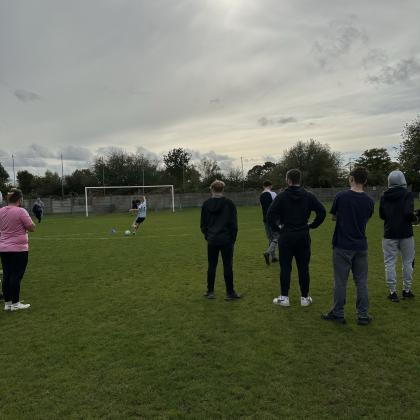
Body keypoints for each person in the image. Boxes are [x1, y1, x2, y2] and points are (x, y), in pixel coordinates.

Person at [322, 167, 374, 325]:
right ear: (365, 181)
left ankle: (338, 313)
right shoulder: (369, 201)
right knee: (361, 282)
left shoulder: (341, 196)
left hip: (342, 245)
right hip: (360, 246)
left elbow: (333, 217)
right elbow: (366, 219)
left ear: (351, 178)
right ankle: (363, 315)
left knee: (340, 281)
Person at [267, 169, 326, 307]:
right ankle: (305, 298)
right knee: (303, 267)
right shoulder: (308, 196)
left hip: (286, 235)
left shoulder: (281, 197)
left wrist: (277, 229)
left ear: (288, 180)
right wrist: (312, 225)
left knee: (285, 267)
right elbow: (321, 212)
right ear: (300, 180)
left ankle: (284, 297)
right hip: (303, 235)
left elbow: (270, 215)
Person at [379, 170, 417, 302]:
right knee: (407, 262)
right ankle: (406, 290)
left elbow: (382, 215)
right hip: (406, 233)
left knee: (389, 263)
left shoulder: (384, 195)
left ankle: (392, 292)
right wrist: (415, 217)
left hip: (389, 233)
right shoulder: (407, 194)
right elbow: (408, 213)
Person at [200, 179, 240, 300]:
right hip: (226, 239)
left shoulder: (206, 204)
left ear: (212, 189)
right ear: (223, 189)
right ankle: (229, 292)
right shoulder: (230, 204)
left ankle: (210, 291)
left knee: (211, 266)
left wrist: (208, 236)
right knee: (228, 266)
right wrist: (232, 238)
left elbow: (203, 224)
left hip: (212, 239)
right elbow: (234, 224)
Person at [0, 188, 36, 311]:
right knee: (16, 276)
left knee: (6, 275)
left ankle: (7, 303)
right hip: (19, 249)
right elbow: (31, 227)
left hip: (4, 248)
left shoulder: (1, 211)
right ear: (20, 199)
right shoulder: (21, 211)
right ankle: (15, 303)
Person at [260, 180, 278, 265]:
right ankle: (267, 253)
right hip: (274, 218)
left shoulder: (261, 195)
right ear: (270, 186)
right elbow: (277, 206)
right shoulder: (273, 194)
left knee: (270, 238)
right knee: (277, 236)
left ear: (263, 186)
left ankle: (273, 257)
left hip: (265, 219)